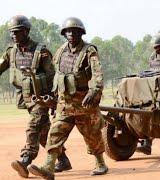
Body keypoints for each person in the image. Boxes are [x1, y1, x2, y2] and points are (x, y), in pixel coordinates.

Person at [27, 17, 107, 179]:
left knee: (92, 136)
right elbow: (56, 74)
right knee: (55, 133)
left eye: (75, 31)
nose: (71, 34)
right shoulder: (61, 50)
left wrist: (95, 89)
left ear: (81, 33)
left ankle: (100, 163)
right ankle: (48, 167)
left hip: (84, 104)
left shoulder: (89, 51)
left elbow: (97, 73)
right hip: (64, 105)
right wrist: (51, 96)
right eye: (68, 31)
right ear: (64, 33)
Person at [0, 15, 71, 178]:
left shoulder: (41, 52)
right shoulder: (11, 52)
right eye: (12, 32)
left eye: (17, 32)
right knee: (44, 131)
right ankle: (63, 159)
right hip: (25, 98)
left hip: (41, 98)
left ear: (26, 31)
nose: (13, 36)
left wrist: (54, 99)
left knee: (33, 126)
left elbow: (54, 76)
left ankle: (25, 159)